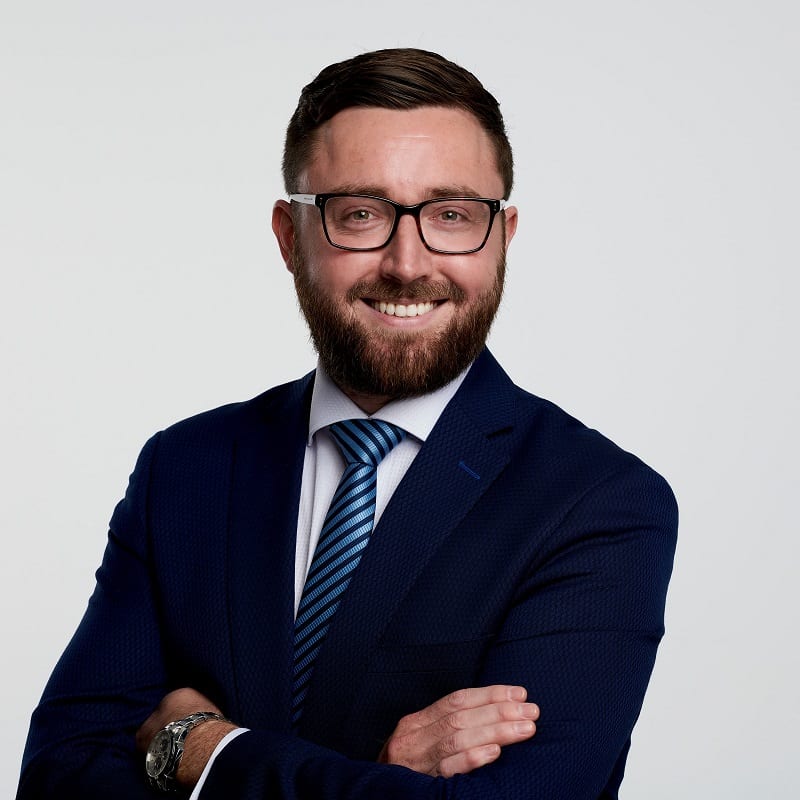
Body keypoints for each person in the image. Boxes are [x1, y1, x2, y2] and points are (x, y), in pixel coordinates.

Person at [17, 48, 677, 799]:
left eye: (452, 215)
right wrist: (380, 774)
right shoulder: (186, 469)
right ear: (289, 235)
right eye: (360, 214)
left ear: (503, 236)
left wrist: (204, 749)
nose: (407, 263)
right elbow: (58, 775)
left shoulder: (598, 503)